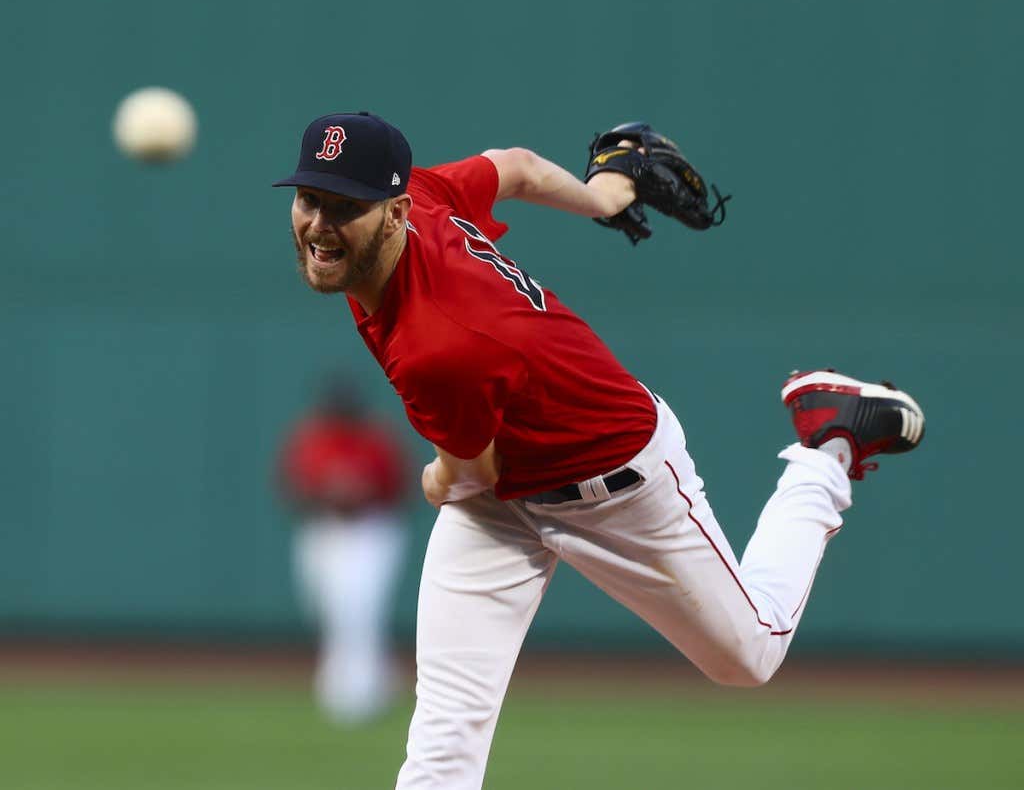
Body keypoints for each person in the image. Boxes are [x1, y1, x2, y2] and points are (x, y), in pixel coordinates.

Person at [272, 112, 925, 788]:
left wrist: (433, 477)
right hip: (503, 492)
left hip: (616, 477)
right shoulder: (422, 204)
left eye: (345, 207)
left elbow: (467, 471)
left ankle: (828, 441)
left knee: (749, 654)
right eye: (309, 199)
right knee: (442, 743)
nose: (319, 223)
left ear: (395, 211)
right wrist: (604, 197)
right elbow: (516, 164)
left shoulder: (441, 343)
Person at [278, 374, 410, 723]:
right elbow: (291, 488)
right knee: (326, 610)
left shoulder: (375, 439)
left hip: (370, 531)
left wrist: (360, 494)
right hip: (322, 529)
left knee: (360, 612)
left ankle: (355, 695)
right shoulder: (312, 438)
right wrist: (329, 493)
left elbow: (399, 488)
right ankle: (370, 680)